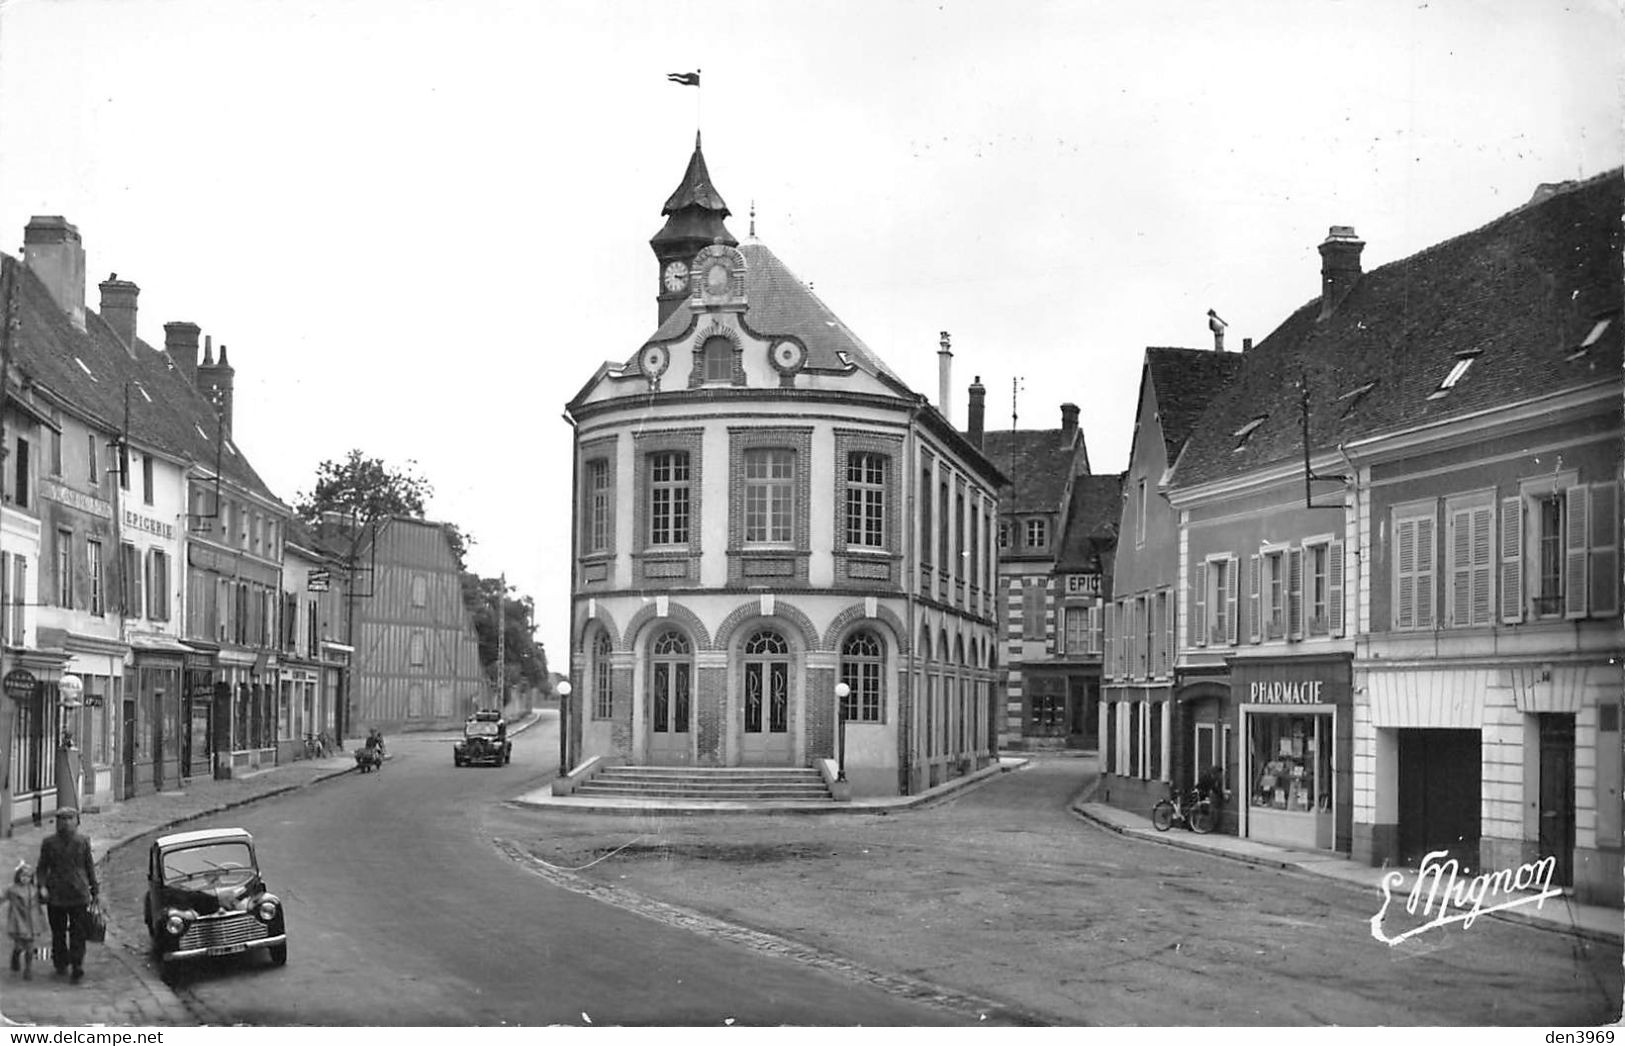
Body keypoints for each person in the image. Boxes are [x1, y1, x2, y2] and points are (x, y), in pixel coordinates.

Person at [36, 807, 97, 981]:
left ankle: (77, 964)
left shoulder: (83, 841)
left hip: (78, 892)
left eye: (70, 819)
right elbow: (42, 867)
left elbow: (89, 866)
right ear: (57, 823)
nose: (66, 823)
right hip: (55, 893)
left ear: (77, 821)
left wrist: (95, 889)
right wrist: (41, 886)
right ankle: (60, 961)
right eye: (62, 819)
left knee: (78, 931)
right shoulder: (49, 843)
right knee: (58, 931)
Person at [6, 862, 44, 980]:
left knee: (30, 947)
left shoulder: (34, 890)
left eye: (28, 877)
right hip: (18, 920)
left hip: (31, 921)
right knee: (19, 945)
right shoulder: (12, 889)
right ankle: (16, 956)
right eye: (23, 876)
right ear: (18, 876)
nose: (25, 879)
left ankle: (28, 969)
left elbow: (41, 900)